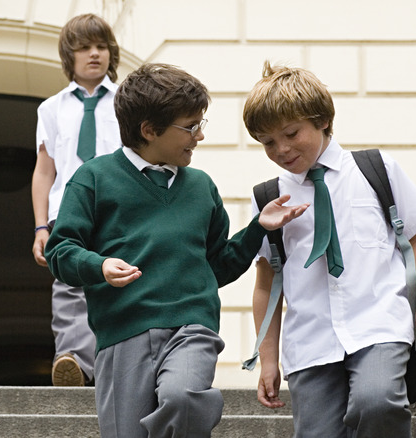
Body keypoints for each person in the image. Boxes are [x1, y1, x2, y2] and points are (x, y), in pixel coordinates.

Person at [45, 63, 307, 438]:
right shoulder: (93, 179)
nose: (199, 136)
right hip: (122, 334)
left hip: (192, 327)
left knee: (184, 397)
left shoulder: (201, 187)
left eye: (201, 124)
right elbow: (60, 251)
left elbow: (216, 267)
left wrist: (256, 231)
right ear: (149, 130)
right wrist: (99, 266)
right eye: (189, 126)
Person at [243, 61, 416, 437]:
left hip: (379, 323)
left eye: (291, 133)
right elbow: (265, 284)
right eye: (268, 142)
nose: (282, 149)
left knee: (377, 401)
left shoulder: (376, 169)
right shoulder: (269, 198)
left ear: (322, 119)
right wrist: (267, 358)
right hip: (311, 341)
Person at [31, 13, 122, 386]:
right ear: (69, 56)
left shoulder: (127, 101)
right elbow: (44, 170)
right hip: (67, 211)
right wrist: (40, 225)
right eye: (84, 48)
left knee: (114, 281)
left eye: (101, 46)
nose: (94, 54)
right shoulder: (51, 109)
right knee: (69, 285)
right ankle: (72, 361)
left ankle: (112, 364)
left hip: (117, 209)